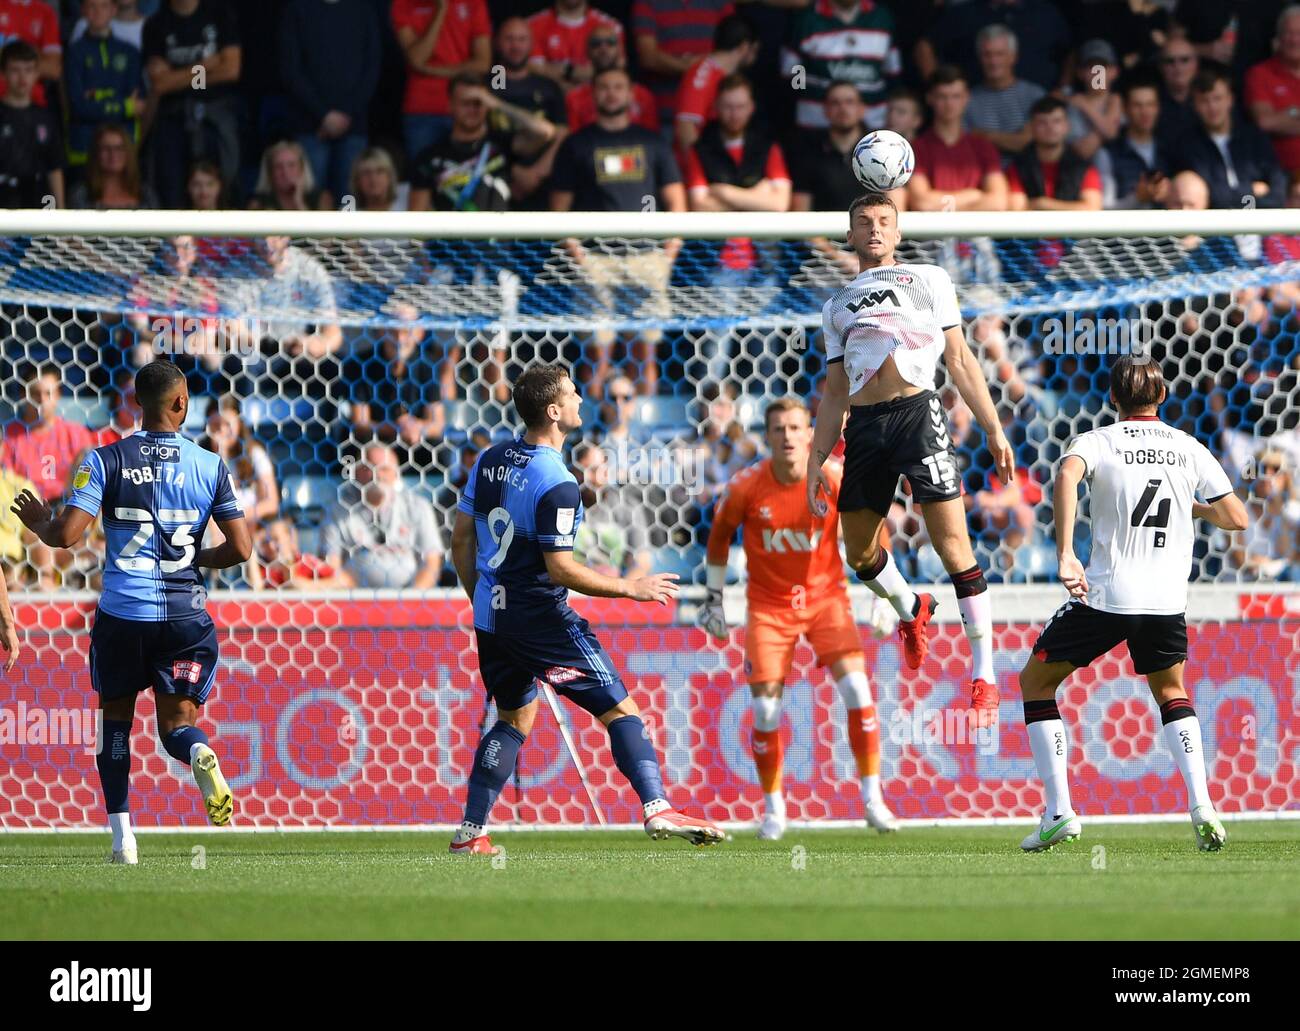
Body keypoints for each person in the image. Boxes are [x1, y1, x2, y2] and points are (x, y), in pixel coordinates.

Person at [447, 363, 724, 853]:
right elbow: (561, 569)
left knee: (513, 719)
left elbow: (462, 538)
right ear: (554, 412)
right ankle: (656, 807)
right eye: (573, 394)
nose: (580, 399)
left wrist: (481, 600)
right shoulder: (558, 482)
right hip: (542, 616)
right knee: (620, 711)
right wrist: (630, 588)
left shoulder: (489, 458)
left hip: (492, 616)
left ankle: (471, 832)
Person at [10, 360, 252, 863]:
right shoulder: (210, 465)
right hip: (185, 617)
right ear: (181, 403)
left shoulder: (103, 460)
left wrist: (40, 522)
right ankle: (198, 751)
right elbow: (243, 549)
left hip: (124, 615)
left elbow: (67, 537)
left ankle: (124, 839)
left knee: (116, 721)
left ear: (138, 403)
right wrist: (195, 558)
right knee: (176, 726)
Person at [1017, 355, 1248, 853]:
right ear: (1162, 397)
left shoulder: (1097, 441)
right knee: (1171, 692)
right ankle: (1202, 803)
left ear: (1113, 398)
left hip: (1107, 595)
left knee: (1034, 682)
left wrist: (1065, 553)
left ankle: (1059, 811)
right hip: (1166, 600)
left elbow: (1065, 476)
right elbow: (1237, 517)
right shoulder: (1188, 447)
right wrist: (1192, 506)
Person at [807, 192, 1015, 716]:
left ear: (898, 234)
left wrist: (993, 429)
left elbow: (961, 359)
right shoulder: (836, 306)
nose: (874, 230)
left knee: (953, 548)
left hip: (918, 415)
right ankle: (910, 607)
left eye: (884, 222)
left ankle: (984, 674)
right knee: (858, 554)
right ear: (850, 236)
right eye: (863, 223)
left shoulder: (929, 280)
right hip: (866, 427)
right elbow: (834, 392)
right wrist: (815, 460)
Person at [701, 397, 899, 840]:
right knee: (767, 711)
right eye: (779, 429)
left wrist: (883, 597)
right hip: (769, 609)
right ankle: (774, 810)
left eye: (795, 428)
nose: (788, 436)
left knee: (858, 690)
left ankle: (873, 800)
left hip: (826, 600)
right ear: (767, 436)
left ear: (811, 434)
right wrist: (713, 599)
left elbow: (874, 526)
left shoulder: (834, 478)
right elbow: (717, 541)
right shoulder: (746, 487)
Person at [550, 66, 685, 397]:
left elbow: (678, 205)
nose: (611, 93)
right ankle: (593, 426)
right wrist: (579, 257)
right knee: (598, 352)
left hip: (647, 258)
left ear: (631, 94)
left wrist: (667, 256)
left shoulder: (653, 142)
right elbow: (557, 211)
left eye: (618, 87)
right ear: (593, 94)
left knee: (645, 351)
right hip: (595, 261)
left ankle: (646, 424)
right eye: (604, 87)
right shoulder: (576, 145)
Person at [408, 72, 560, 211]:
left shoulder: (502, 144)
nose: (472, 110)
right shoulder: (430, 156)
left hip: (497, 239)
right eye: (465, 103)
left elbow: (545, 132)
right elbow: (417, 216)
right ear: (450, 106)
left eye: (478, 103)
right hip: (450, 240)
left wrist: (495, 103)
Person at [141, 0, 241, 209]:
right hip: (173, 121)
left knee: (220, 189)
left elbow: (231, 70)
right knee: (174, 193)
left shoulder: (220, 14)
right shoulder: (155, 24)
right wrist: (207, 65)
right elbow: (159, 83)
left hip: (215, 121)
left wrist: (178, 76)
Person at [280, 0, 380, 203]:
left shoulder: (363, 8)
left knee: (351, 199)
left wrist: (347, 113)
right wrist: (323, 115)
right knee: (310, 198)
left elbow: (373, 66)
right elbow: (290, 69)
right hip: (309, 125)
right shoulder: (297, 8)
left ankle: (350, 238)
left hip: (353, 125)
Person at [321, 442, 443, 588]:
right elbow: (332, 565)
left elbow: (431, 564)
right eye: (369, 468)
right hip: (354, 599)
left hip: (409, 599)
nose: (377, 475)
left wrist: (412, 599)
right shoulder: (337, 511)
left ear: (396, 474)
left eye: (384, 469)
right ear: (355, 471)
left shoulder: (418, 507)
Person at [1171, 64, 1286, 210]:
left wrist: (1234, 197)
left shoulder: (1254, 137)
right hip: (1214, 230)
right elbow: (1214, 199)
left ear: (1230, 99)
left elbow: (1279, 192)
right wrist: (1251, 191)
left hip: (1263, 227)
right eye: (1204, 101)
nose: (1212, 107)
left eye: (1217, 98)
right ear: (1195, 105)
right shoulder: (1187, 146)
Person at [392, 0, 491, 161]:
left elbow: (483, 63)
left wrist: (435, 70)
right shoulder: (403, 4)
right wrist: (440, 9)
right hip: (423, 110)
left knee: (469, 175)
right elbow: (417, 58)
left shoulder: (474, 2)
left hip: (467, 107)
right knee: (424, 175)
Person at [783, 0, 899, 132]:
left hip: (873, 126)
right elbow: (792, 73)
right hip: (815, 125)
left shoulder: (882, 17)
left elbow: (892, 73)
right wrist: (810, 93)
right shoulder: (806, 18)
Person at [908, 66, 1007, 212]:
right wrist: (973, 196)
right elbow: (922, 203)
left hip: (977, 233)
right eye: (942, 96)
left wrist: (943, 203)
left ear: (966, 98)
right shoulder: (915, 148)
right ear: (930, 98)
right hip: (932, 233)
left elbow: (998, 203)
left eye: (956, 96)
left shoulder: (983, 146)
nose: (949, 104)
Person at [64, 0, 143, 173]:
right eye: (92, 6)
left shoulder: (130, 52)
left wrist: (96, 97)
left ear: (114, 10)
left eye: (104, 6)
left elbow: (138, 104)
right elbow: (78, 106)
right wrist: (123, 105)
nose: (98, 12)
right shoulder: (74, 53)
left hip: (123, 148)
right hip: (84, 148)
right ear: (83, 10)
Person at [673, 13, 758, 153]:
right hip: (699, 168)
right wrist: (698, 167)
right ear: (744, 47)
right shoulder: (703, 73)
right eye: (754, 50)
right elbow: (686, 127)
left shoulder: (723, 74)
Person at [1006, 97, 1103, 212]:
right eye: (1042, 122)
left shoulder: (1084, 167)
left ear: (1067, 126)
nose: (1050, 127)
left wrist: (1042, 204)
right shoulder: (1018, 167)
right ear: (1031, 127)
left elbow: (1093, 209)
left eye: (1057, 121)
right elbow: (1016, 210)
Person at [963, 24, 1044, 160]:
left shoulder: (1034, 95)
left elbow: (1030, 143)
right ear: (979, 58)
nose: (993, 61)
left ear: (1014, 57)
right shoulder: (965, 99)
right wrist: (1014, 138)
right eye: (987, 55)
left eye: (1000, 54)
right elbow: (963, 144)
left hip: (1026, 176)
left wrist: (983, 135)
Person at [0, 40, 64, 208]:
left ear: (37, 73)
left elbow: (55, 167)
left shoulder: (46, 117)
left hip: (38, 197)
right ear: (3, 73)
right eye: (15, 70)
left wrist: (62, 216)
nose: (22, 78)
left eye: (28, 70)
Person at [565, 23, 657, 132]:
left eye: (610, 43)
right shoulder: (574, 97)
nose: (603, 49)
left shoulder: (643, 95)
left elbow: (651, 140)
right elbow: (574, 142)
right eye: (596, 44)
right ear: (587, 50)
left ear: (620, 48)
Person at [1097, 76, 1172, 209]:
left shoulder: (1172, 148)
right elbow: (1104, 210)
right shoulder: (1107, 153)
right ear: (1125, 109)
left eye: (1150, 104)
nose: (1145, 112)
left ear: (1158, 108)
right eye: (1137, 105)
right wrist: (1137, 198)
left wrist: (1171, 192)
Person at [526, 0, 622, 87]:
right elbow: (534, 70)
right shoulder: (532, 26)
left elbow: (616, 68)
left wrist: (564, 70)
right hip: (547, 99)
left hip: (595, 100)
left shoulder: (611, 27)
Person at [68, 123, 157, 208]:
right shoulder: (81, 195)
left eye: (119, 148)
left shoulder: (146, 195)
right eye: (106, 148)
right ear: (96, 153)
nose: (113, 154)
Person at [247, 139, 333, 210]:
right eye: (278, 167)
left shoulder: (322, 199)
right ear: (270, 173)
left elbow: (318, 230)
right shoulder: (257, 205)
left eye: (291, 165)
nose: (285, 172)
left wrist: (299, 202)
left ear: (302, 169)